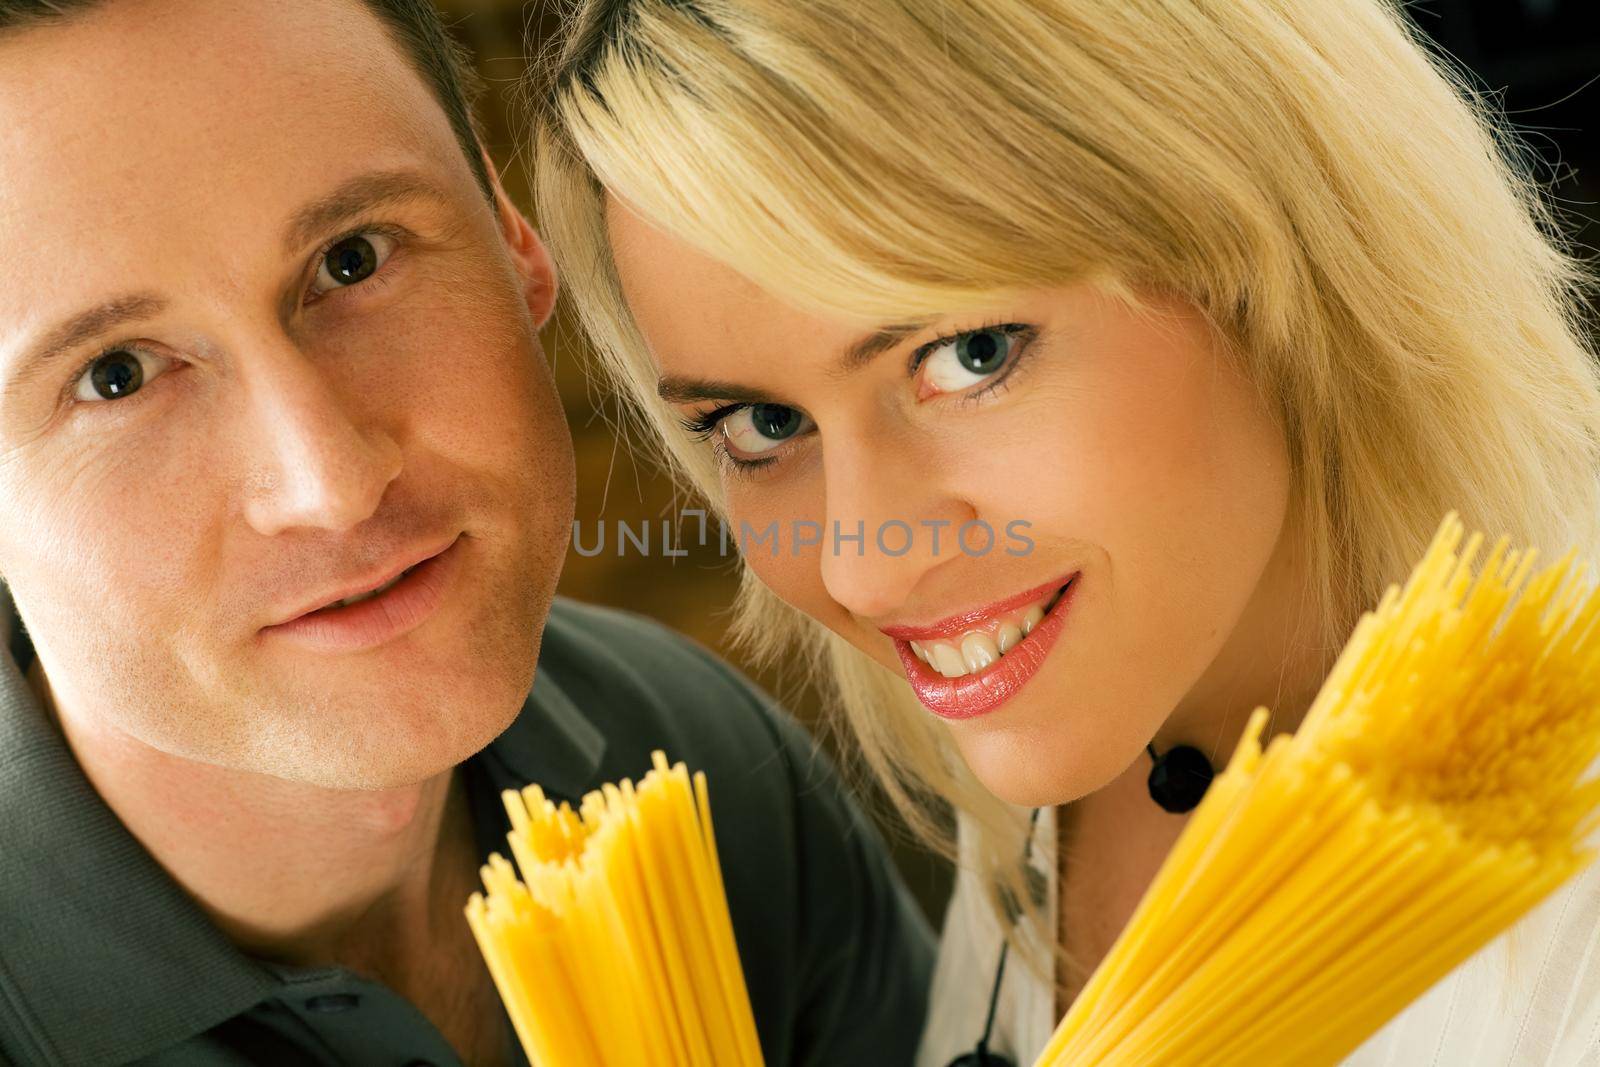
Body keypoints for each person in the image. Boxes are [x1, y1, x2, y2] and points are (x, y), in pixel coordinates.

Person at [526, 0, 1600, 1062]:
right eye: (761, 426)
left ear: (1269, 245)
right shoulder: (1089, 716)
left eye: (972, 354)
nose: (862, 566)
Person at [0, 2, 936, 1065]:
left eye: (353, 259)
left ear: (512, 236)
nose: (336, 482)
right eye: (114, 374)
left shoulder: (698, 758)